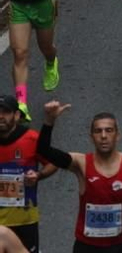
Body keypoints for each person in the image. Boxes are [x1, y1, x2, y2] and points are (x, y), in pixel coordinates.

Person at [39, 101, 122, 252]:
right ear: (91, 137)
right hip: (86, 247)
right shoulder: (81, 163)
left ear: (117, 135)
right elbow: (44, 151)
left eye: (109, 130)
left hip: (121, 247)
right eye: (98, 131)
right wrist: (49, 121)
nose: (103, 136)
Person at [0, 93, 54, 253]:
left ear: (17, 115)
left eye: (6, 112)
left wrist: (39, 175)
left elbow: (52, 163)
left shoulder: (32, 139)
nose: (1, 116)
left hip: (24, 221)